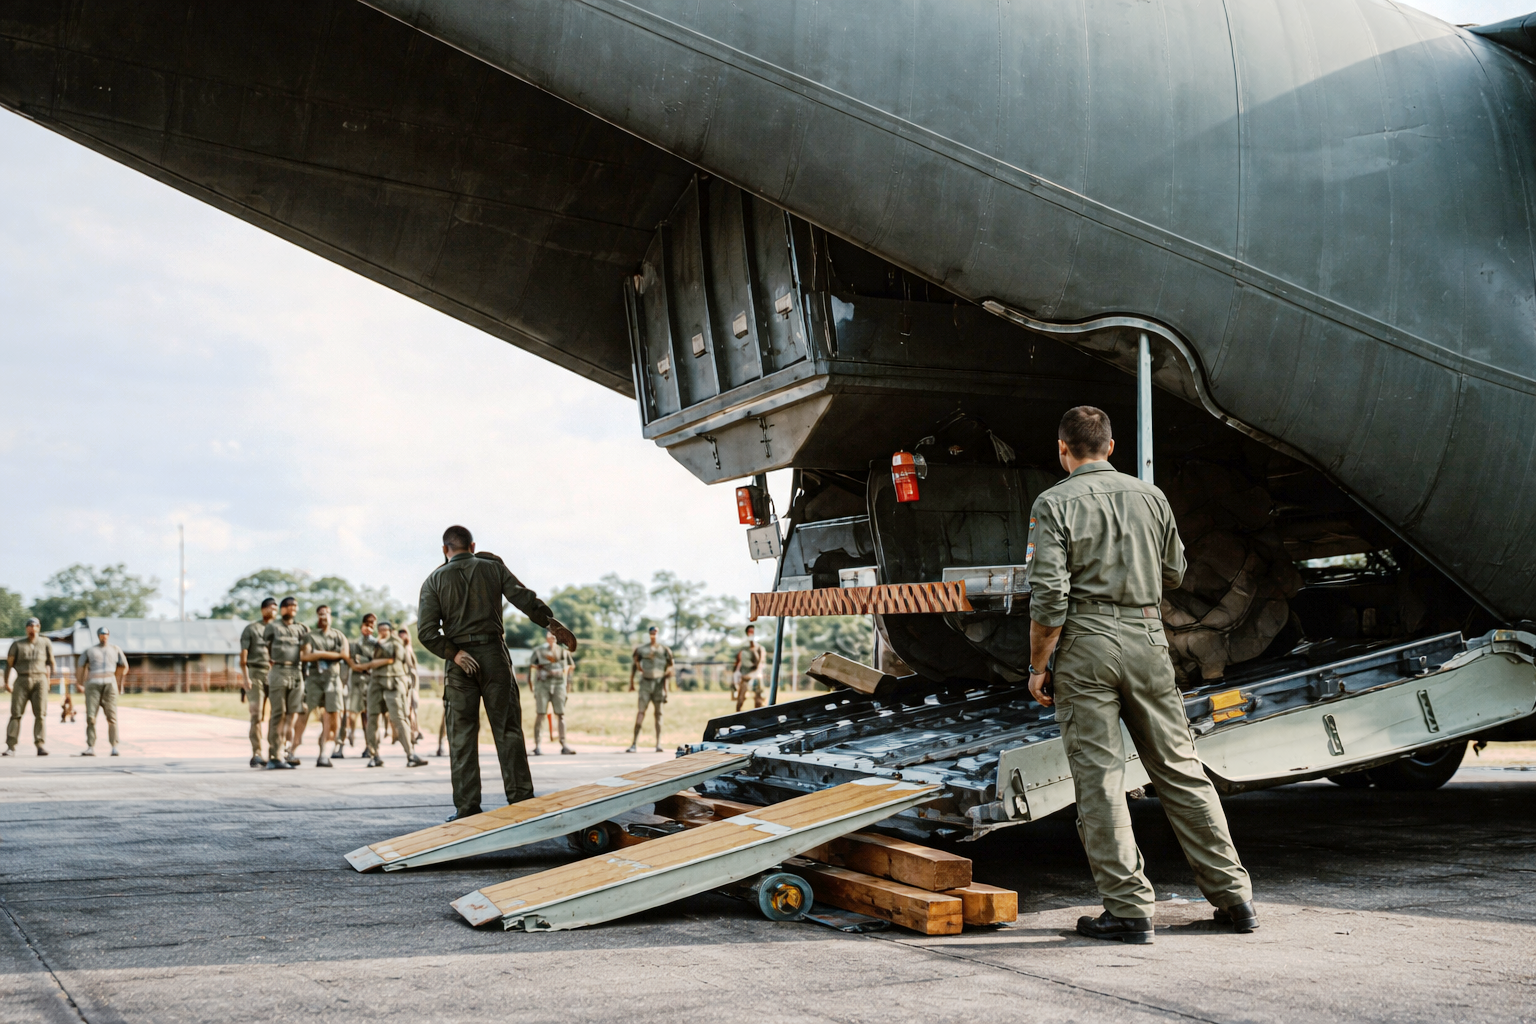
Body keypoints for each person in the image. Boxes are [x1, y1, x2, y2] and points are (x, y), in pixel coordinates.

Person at [1025, 405, 1256, 944]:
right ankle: (1235, 899)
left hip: (1086, 645)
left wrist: (1039, 665)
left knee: (1102, 779)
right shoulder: (1152, 497)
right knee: (1181, 768)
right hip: (1151, 640)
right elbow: (1174, 572)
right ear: (1111, 447)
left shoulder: (1053, 503)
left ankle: (1130, 911)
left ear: (1064, 450)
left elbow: (1050, 595)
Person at [417, 524, 576, 822]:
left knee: (462, 734)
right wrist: (549, 622)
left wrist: (454, 654)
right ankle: (521, 800)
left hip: (459, 663)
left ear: (444, 550)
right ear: (473, 546)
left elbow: (427, 633)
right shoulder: (492, 568)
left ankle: (467, 809)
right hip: (494, 657)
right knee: (508, 730)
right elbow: (523, 598)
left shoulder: (433, 580)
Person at [352, 621, 427, 768]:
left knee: (399, 718)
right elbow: (362, 661)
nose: (382, 632)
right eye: (380, 629)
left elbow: (393, 656)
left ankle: (411, 754)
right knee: (372, 718)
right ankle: (374, 755)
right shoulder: (372, 643)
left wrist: (374, 660)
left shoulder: (396, 642)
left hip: (394, 683)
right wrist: (373, 660)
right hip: (376, 683)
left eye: (385, 629)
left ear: (391, 631)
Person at [296, 604, 348, 767]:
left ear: (331, 616)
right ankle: (291, 749)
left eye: (326, 614)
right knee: (304, 712)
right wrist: (334, 655)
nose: (323, 617)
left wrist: (317, 654)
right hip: (314, 679)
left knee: (333, 716)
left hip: (333, 679)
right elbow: (304, 656)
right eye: (320, 614)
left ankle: (324, 753)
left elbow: (345, 655)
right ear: (317, 617)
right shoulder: (311, 636)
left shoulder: (339, 636)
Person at [262, 597, 309, 770]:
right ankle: (274, 755)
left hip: (296, 672)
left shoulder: (302, 628)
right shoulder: (273, 628)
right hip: (279, 671)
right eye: (288, 606)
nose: (291, 609)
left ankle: (286, 750)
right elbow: (264, 649)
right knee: (278, 714)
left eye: (294, 606)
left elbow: (307, 650)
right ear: (282, 609)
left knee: (293, 713)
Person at [4, 617, 55, 756]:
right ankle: (11, 746)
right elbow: (9, 665)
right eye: (29, 626)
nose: (32, 628)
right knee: (16, 714)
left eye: (34, 625)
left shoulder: (45, 643)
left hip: (40, 679)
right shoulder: (17, 644)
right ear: (26, 628)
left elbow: (51, 662)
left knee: (41, 714)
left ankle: (40, 744)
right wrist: (7, 682)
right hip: (22, 679)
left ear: (39, 627)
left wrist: (48, 679)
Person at [76, 626, 127, 756]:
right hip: (93, 684)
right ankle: (90, 746)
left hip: (109, 683)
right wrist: (80, 683)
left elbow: (124, 666)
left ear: (108, 635)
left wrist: (118, 681)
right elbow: (81, 666)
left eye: (106, 634)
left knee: (112, 716)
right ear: (98, 636)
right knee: (91, 716)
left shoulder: (115, 649)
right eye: (101, 634)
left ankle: (114, 746)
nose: (104, 636)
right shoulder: (90, 650)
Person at [239, 598, 277, 767]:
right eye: (270, 608)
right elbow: (243, 656)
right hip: (255, 673)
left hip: (275, 674)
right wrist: (245, 678)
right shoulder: (252, 629)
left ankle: (276, 751)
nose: (273, 611)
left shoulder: (278, 630)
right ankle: (257, 752)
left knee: (277, 714)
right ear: (263, 610)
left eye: (276, 608)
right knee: (256, 714)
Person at [529, 630, 576, 756]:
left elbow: (570, 667)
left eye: (555, 635)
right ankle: (537, 745)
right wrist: (532, 685)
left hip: (558, 685)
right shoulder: (539, 651)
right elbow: (531, 666)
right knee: (541, 714)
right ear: (546, 637)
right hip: (543, 686)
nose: (553, 636)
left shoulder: (563, 652)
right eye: (550, 634)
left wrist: (568, 686)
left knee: (561, 714)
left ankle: (564, 744)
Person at [627, 626, 673, 753]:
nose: (654, 634)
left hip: (659, 684)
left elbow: (670, 668)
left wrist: (666, 688)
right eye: (652, 632)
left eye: (656, 632)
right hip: (645, 683)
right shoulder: (642, 649)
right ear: (649, 634)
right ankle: (634, 743)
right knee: (641, 712)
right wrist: (631, 683)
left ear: (658, 634)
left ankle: (658, 743)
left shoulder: (665, 650)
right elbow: (634, 666)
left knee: (659, 714)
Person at [344, 614, 379, 753]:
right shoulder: (354, 644)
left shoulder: (377, 644)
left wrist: (363, 662)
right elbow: (352, 662)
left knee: (369, 716)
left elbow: (375, 662)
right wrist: (367, 663)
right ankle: (344, 740)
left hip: (370, 681)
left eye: (372, 625)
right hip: (356, 681)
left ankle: (369, 746)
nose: (369, 628)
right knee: (351, 713)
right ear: (361, 626)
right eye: (367, 624)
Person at [731, 624, 767, 712]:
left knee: (759, 700)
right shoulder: (743, 648)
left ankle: (758, 717)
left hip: (756, 675)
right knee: (740, 700)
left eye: (753, 632)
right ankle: (737, 717)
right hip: (745, 675)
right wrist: (736, 675)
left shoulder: (759, 648)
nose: (751, 633)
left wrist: (753, 649)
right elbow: (738, 662)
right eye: (750, 632)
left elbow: (759, 663)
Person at [399, 626, 422, 746]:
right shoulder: (400, 649)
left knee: (414, 709)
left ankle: (415, 732)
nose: (402, 635)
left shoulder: (409, 649)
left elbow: (413, 669)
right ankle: (412, 734)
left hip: (413, 684)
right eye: (400, 633)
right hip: (405, 683)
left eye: (404, 633)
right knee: (408, 710)